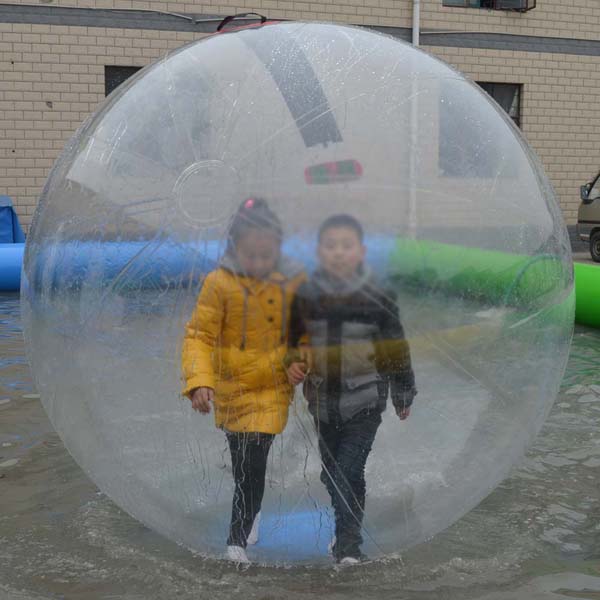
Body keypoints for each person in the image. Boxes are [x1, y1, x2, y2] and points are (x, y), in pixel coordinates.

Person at [286, 214, 416, 565]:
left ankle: (348, 547)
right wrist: (291, 363)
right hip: (323, 403)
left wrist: (404, 390)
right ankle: (348, 529)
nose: (338, 253)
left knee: (344, 470)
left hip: (365, 402)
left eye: (346, 246)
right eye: (330, 246)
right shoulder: (307, 295)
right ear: (319, 252)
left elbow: (395, 347)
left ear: (361, 251)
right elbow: (291, 341)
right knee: (335, 474)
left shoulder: (378, 296)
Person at [181, 198, 305, 564]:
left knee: (254, 456)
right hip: (231, 390)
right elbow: (199, 336)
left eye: (267, 256)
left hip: (271, 388)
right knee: (242, 464)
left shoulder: (291, 283)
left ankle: (236, 540)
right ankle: (253, 508)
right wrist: (198, 381)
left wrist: (301, 362)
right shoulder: (218, 284)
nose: (259, 264)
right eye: (251, 255)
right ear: (235, 248)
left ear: (278, 249)